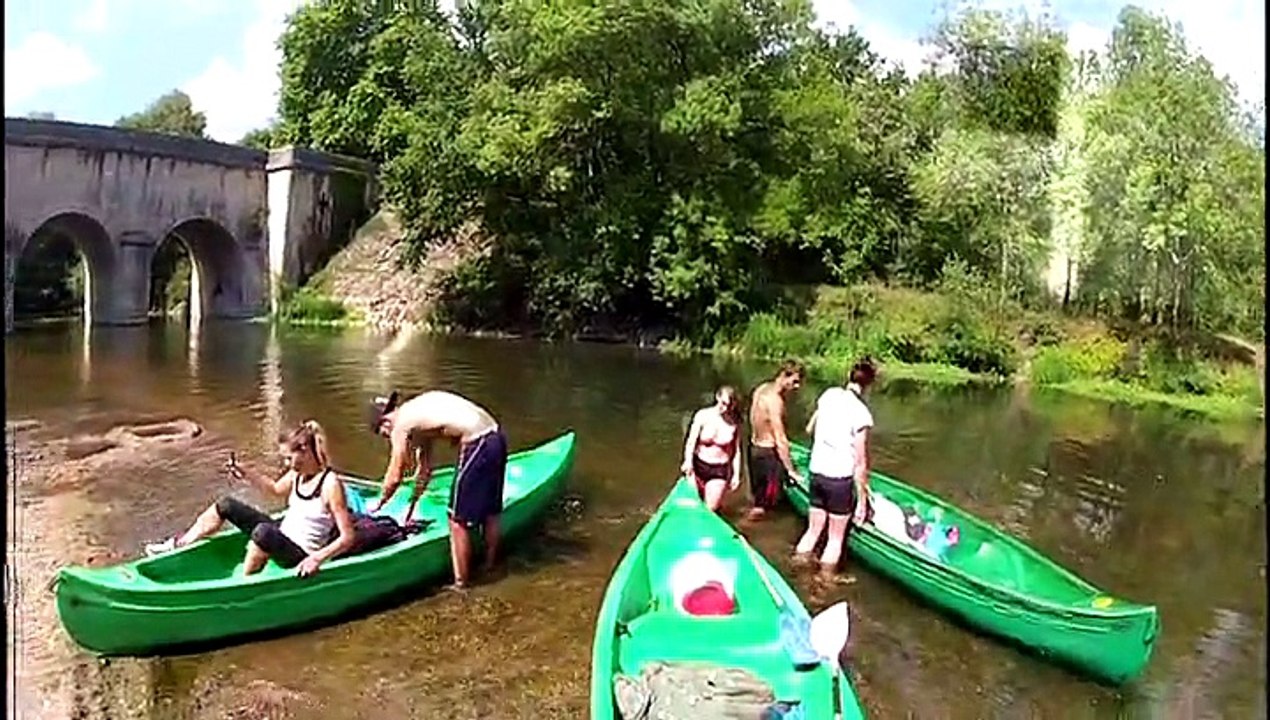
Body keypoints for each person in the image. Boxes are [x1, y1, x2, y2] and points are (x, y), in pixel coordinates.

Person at [144, 420, 357, 577]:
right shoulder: (297, 475)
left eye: (288, 458)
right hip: (282, 536)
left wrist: (316, 558)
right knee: (226, 505)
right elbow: (274, 489)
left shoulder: (330, 484)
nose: (285, 464)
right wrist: (245, 472)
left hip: (300, 554)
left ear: (305, 451)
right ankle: (179, 544)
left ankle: (244, 585)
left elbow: (348, 537)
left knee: (263, 532)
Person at [366, 389, 507, 590]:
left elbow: (394, 476)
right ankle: (491, 564)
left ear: (385, 423)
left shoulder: (400, 425)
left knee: (456, 520)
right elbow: (425, 470)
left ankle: (461, 584)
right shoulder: (417, 415)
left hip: (478, 443)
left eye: (383, 434)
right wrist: (412, 504)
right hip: (496, 436)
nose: (387, 438)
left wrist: (378, 504)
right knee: (491, 510)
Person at [794, 357, 877, 571]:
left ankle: (796, 569)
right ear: (868, 385)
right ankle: (823, 585)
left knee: (812, 532)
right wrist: (862, 502)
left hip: (817, 472)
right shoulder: (861, 413)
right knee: (834, 540)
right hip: (839, 479)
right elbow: (860, 463)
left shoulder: (828, 395)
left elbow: (809, 429)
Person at [745, 359, 806, 520]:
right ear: (784, 376)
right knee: (766, 506)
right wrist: (791, 470)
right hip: (769, 455)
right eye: (795, 381)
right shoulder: (775, 402)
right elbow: (780, 438)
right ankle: (742, 530)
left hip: (753, 449)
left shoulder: (761, 389)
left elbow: (754, 419)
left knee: (758, 499)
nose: (797, 386)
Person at [680, 385, 742, 512]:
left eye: (729, 406)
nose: (724, 408)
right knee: (694, 506)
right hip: (698, 465)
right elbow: (691, 441)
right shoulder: (703, 416)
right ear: (717, 397)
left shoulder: (734, 423)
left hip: (719, 469)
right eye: (723, 403)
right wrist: (688, 461)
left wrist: (736, 474)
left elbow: (736, 451)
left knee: (710, 510)